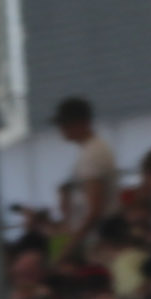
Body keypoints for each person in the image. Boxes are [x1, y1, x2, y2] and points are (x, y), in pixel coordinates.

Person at [51, 97, 119, 243]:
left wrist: (71, 245)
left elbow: (95, 210)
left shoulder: (92, 154)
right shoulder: (91, 151)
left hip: (100, 236)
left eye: (65, 124)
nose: (62, 129)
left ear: (81, 123)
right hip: (95, 234)